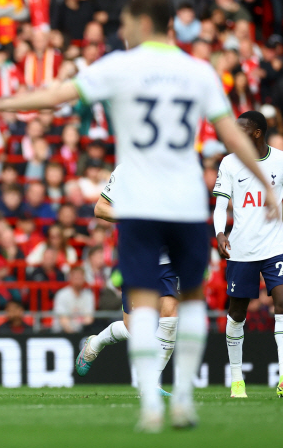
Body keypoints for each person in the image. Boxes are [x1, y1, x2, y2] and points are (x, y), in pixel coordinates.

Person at [0, 0, 279, 431]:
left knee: (153, 314)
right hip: (184, 203)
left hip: (149, 206)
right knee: (188, 309)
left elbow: (56, 94)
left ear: (144, 22)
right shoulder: (198, 71)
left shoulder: (120, 66)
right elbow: (229, 133)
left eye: (128, 21)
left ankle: (152, 405)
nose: (122, 30)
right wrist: (266, 183)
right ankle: (181, 401)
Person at [214, 111, 283, 398]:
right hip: (241, 249)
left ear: (256, 133)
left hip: (276, 246)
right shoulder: (229, 163)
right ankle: (237, 379)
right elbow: (220, 205)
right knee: (237, 313)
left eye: (242, 130)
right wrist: (219, 232)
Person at [75, 163, 179, 399]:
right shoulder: (127, 170)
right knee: (136, 328)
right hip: (136, 256)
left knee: (170, 318)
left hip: (167, 258)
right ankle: (96, 344)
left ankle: (150, 384)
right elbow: (100, 208)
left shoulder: (177, 168)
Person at [52, 267, 94, 333]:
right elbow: (63, 320)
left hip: (82, 333)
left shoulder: (88, 295)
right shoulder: (62, 294)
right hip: (62, 333)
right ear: (70, 278)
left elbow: (89, 319)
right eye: (76, 277)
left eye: (80, 277)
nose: (78, 280)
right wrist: (73, 334)